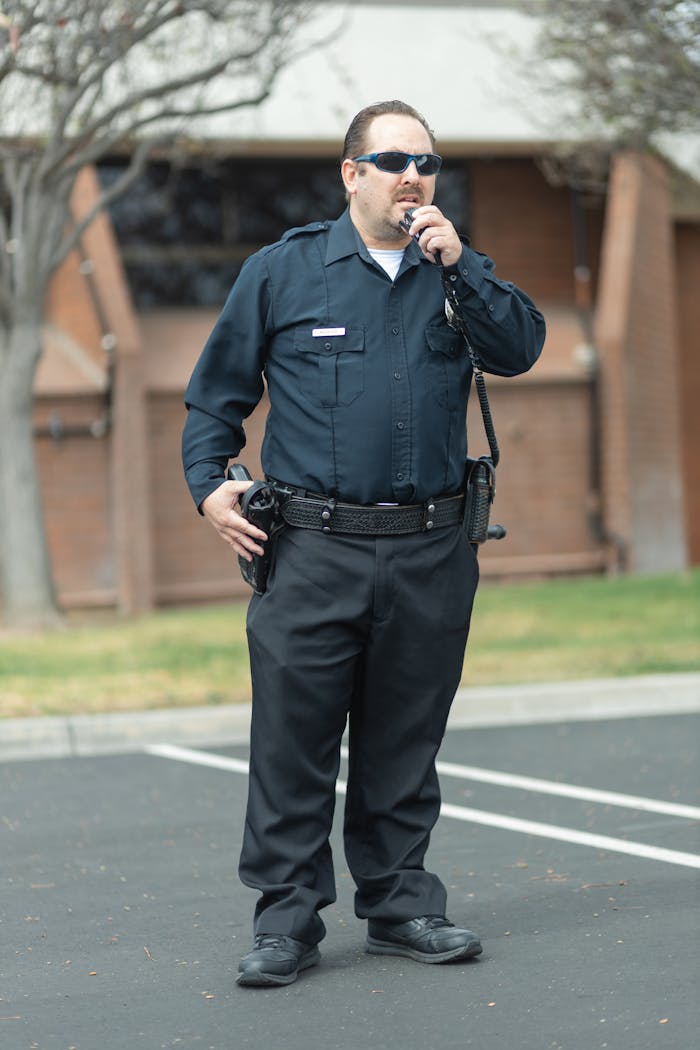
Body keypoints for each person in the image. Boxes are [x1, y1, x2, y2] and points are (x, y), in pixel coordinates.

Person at [182, 100, 545, 987]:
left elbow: (521, 349)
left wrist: (462, 268)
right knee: (292, 743)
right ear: (352, 174)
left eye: (425, 160)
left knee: (404, 741)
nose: (411, 175)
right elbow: (213, 397)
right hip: (310, 549)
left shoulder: (456, 271)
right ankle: (285, 922)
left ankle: (402, 904)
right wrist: (210, 485)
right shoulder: (285, 271)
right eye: (390, 160)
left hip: (429, 548)